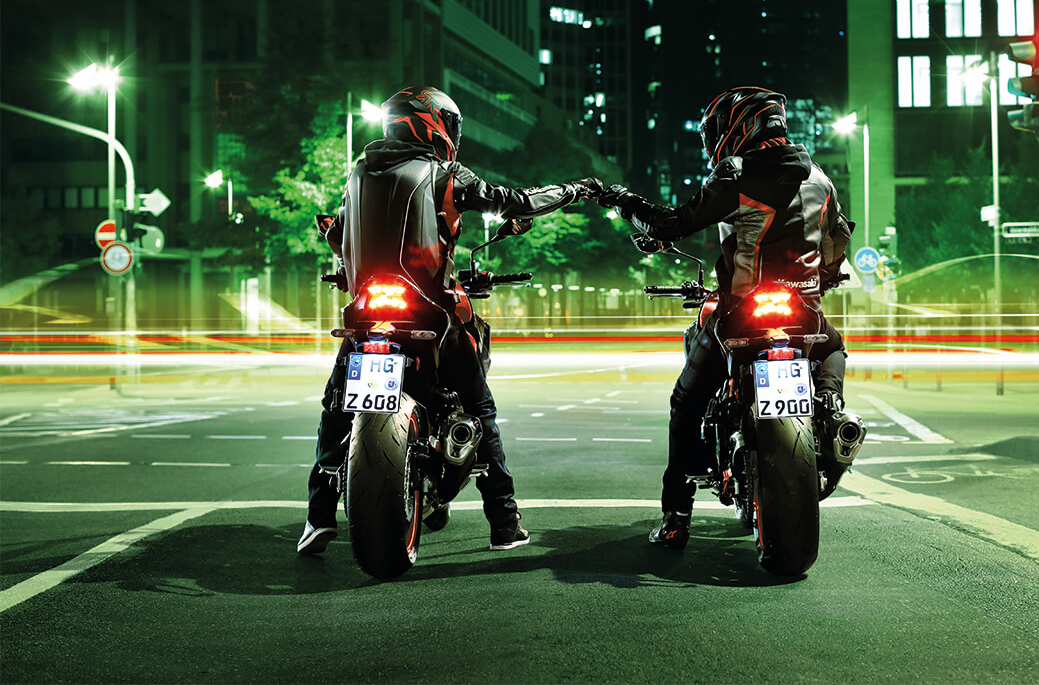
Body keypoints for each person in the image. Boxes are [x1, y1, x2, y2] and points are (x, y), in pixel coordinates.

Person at [298, 86, 601, 555]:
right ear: (438, 125)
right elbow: (515, 200)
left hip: (364, 317)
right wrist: (576, 189)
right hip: (432, 316)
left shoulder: (358, 173)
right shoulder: (446, 173)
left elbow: (339, 233)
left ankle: (318, 518)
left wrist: (346, 271)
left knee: (335, 409)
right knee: (481, 409)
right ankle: (503, 518)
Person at [599, 86, 854, 550]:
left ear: (737, 127)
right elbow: (837, 242)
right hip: (803, 313)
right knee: (833, 348)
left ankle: (676, 516)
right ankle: (833, 414)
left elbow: (674, 223)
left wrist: (623, 201)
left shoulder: (735, 172)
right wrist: (827, 274)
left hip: (741, 315)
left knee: (685, 401)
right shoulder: (819, 178)